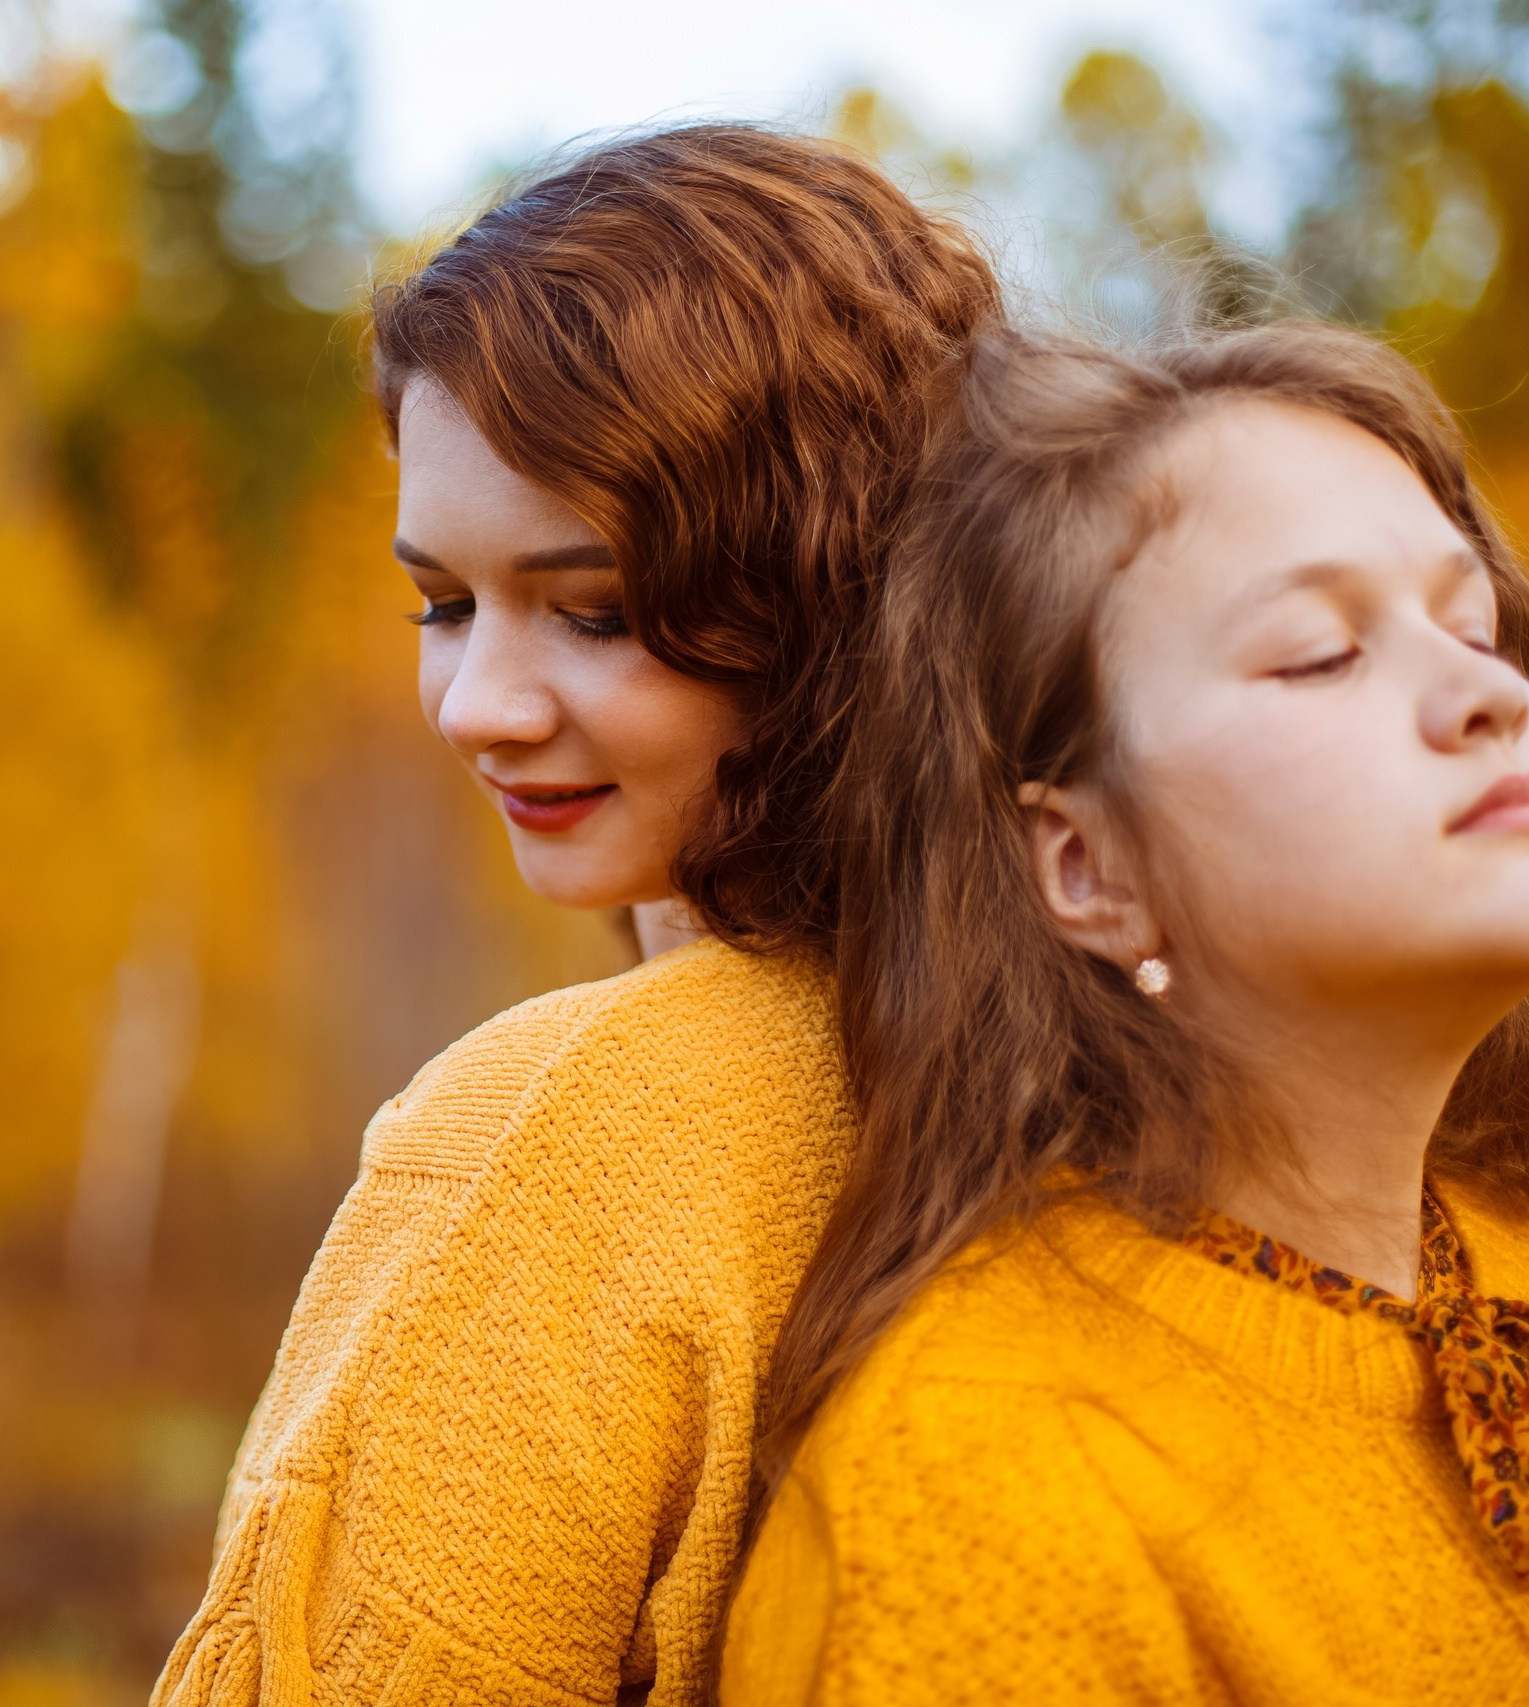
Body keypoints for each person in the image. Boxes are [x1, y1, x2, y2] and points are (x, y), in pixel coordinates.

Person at [721, 323, 1529, 1705]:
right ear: (1087, 866)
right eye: (1322, 655)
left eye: (1476, 629)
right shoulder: (976, 1504)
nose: (1488, 695)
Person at [151, 127, 998, 1706]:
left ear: (840, 595)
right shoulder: (1065, 1059)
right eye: (442, 602)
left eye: (596, 612)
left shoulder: (571, 1134)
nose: (479, 704)